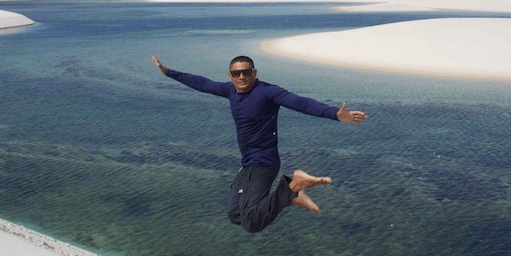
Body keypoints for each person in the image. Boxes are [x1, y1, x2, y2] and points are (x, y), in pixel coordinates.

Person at [151, 55, 368, 233]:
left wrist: (335, 115)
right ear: (230, 76)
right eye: (237, 73)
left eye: (247, 72)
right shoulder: (230, 90)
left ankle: (293, 186)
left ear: (255, 73)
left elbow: (301, 103)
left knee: (252, 223)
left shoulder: (268, 92)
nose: (242, 76)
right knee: (235, 214)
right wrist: (168, 72)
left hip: (264, 163)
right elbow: (201, 83)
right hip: (247, 164)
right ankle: (290, 197)